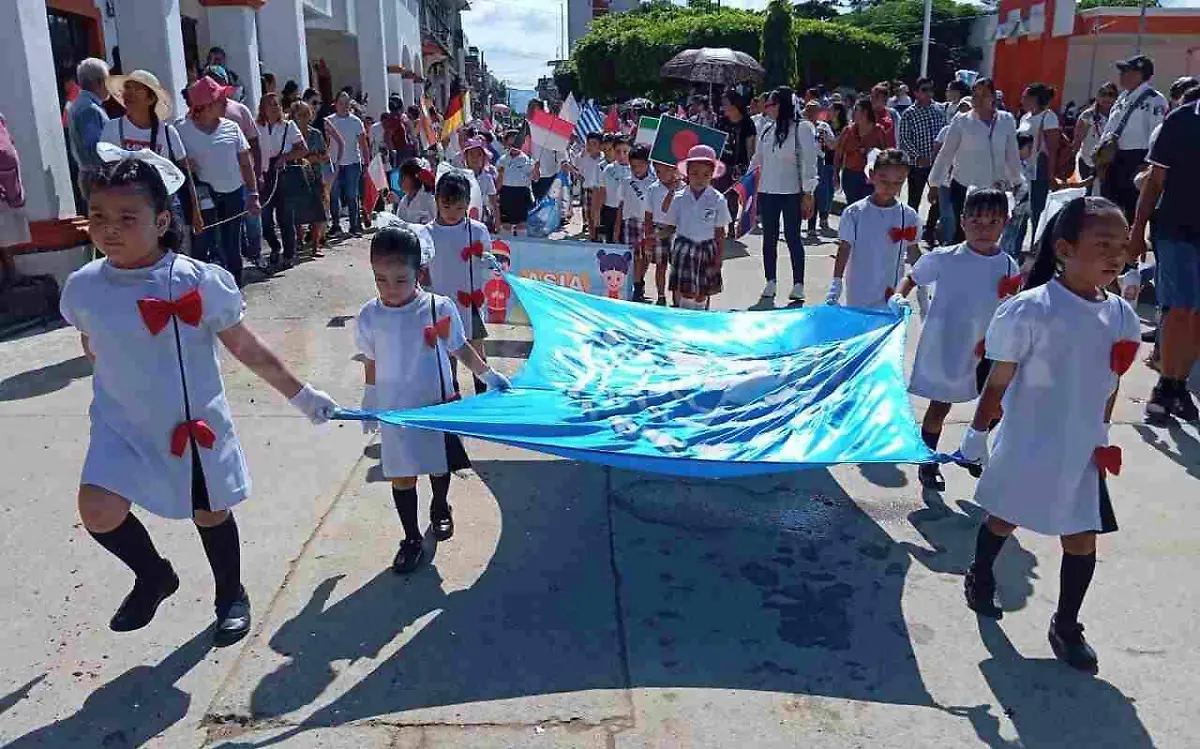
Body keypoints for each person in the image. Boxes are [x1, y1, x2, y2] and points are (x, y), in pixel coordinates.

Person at [60, 151, 339, 647]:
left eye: (128, 218)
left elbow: (247, 348)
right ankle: (154, 576)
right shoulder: (83, 287)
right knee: (97, 509)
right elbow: (92, 348)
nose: (110, 229)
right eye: (99, 216)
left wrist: (303, 396)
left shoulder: (196, 281)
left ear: (162, 220)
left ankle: (230, 595)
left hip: (187, 426)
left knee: (209, 511)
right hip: (120, 426)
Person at [954, 196, 1141, 673]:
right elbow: (999, 380)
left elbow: (1111, 381)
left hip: (1081, 448)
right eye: (1102, 244)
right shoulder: (1030, 309)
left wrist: (1103, 432)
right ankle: (980, 573)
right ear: (1064, 247)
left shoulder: (1120, 313)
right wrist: (977, 434)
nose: (1116, 255)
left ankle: (1066, 623)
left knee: (1082, 537)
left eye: (1122, 245)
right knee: (1004, 518)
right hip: (1029, 440)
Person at [356, 226, 510, 573]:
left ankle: (440, 506)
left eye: (400, 280)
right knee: (402, 474)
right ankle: (411, 538)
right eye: (380, 280)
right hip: (395, 409)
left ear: (419, 273)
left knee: (438, 465)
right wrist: (370, 395)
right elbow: (371, 359)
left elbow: (459, 347)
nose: (390, 289)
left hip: (435, 402)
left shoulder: (437, 307)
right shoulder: (369, 315)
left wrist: (488, 375)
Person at [890, 189, 1021, 490]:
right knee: (940, 407)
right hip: (948, 344)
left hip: (988, 351)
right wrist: (898, 297)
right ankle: (927, 461)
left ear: (1005, 223)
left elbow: (1013, 306)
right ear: (963, 222)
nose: (984, 229)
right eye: (976, 221)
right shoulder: (944, 258)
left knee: (997, 407)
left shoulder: (1008, 265)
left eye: (992, 222)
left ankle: (972, 450)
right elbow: (913, 277)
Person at [1130, 80, 1200, 423]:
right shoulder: (1181, 121)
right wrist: (1136, 231)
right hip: (1175, 231)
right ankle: (1164, 386)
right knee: (1180, 309)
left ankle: (1178, 385)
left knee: (1197, 314)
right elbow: (1154, 182)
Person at [176, 77, 261, 288]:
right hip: (201, 198)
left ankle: (234, 286)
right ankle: (204, 291)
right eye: (220, 99)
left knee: (231, 244)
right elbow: (171, 162)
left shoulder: (232, 127)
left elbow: (245, 162)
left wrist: (253, 194)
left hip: (233, 194)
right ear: (204, 106)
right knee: (203, 244)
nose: (226, 102)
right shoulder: (180, 130)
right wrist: (182, 164)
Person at [100, 70, 191, 240]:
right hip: (126, 207)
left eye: (137, 89)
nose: (129, 93)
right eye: (127, 87)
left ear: (151, 99)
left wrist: (195, 212)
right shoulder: (112, 129)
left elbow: (185, 171)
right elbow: (105, 170)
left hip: (164, 203)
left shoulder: (168, 132)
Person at [929, 78, 1022, 244]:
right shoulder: (961, 121)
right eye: (975, 95)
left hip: (994, 187)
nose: (978, 100)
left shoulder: (1006, 120)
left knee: (990, 232)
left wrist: (1017, 181)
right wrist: (935, 183)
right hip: (963, 186)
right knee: (962, 233)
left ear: (993, 97)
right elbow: (946, 154)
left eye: (984, 95)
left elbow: (1012, 154)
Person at [425, 172, 493, 395]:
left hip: (470, 305)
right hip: (441, 306)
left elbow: (488, 263)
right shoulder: (426, 233)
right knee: (448, 355)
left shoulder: (477, 230)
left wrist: (488, 259)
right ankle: (452, 398)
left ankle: (483, 402)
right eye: (447, 206)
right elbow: (422, 271)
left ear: (467, 204)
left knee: (477, 352)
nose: (453, 213)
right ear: (437, 200)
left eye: (459, 207)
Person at [828, 149, 921, 310]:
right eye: (884, 180)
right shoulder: (855, 213)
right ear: (872, 175)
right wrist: (836, 283)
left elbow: (913, 251)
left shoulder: (908, 215)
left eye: (898, 182)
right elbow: (844, 248)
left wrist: (924, 282)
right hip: (860, 289)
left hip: (892, 292)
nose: (890, 187)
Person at [752, 87, 818, 305]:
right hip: (767, 192)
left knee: (792, 237)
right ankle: (770, 281)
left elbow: (810, 162)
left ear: (782, 105)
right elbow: (757, 159)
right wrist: (745, 181)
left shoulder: (802, 128)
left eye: (770, 104)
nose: (767, 109)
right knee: (768, 238)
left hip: (792, 192)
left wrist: (808, 192)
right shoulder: (766, 129)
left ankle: (798, 284)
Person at [1098, 55, 1167, 223]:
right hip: (1115, 158)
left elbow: (1157, 134)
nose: (1122, 75)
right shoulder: (1123, 97)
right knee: (1109, 208)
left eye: (1126, 71)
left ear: (1140, 74)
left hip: (1137, 159)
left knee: (1130, 210)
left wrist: (1148, 165)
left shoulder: (1155, 100)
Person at [662, 145, 730, 310]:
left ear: (712, 175)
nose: (700, 178)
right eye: (695, 173)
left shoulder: (718, 199)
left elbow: (720, 232)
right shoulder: (678, 198)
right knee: (686, 291)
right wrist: (653, 237)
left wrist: (719, 258)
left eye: (706, 175)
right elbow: (670, 226)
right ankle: (686, 320)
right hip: (684, 248)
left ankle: (700, 319)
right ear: (687, 174)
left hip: (707, 249)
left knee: (702, 291)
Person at [254, 92, 307, 270]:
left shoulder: (288, 126)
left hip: (283, 173)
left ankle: (289, 254)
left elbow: (303, 149)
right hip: (263, 175)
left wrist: (285, 157)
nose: (275, 107)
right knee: (266, 218)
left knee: (285, 217)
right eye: (270, 104)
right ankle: (275, 247)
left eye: (277, 104)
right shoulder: (257, 127)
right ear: (263, 108)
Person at [897, 77, 947, 227]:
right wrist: (918, 157)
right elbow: (904, 139)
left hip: (938, 163)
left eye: (931, 89)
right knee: (914, 199)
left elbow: (946, 133)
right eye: (925, 90)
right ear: (916, 93)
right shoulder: (909, 113)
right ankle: (909, 229)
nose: (929, 93)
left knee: (938, 198)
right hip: (918, 165)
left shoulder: (939, 109)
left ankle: (930, 229)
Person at [1017, 83, 1062, 238]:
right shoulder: (1025, 117)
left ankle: (1037, 243)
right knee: (1020, 209)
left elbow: (1053, 149)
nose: (1022, 100)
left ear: (1035, 98)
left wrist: (1050, 174)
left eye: (1025, 97)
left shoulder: (1048, 117)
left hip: (1039, 168)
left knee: (1037, 209)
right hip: (1023, 170)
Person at [66, 58, 111, 208]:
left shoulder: (81, 104)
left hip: (92, 175)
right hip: (98, 176)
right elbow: (94, 148)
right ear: (99, 83)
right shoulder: (89, 108)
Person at [327, 92, 369, 237]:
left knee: (352, 195)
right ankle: (336, 225)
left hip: (353, 163)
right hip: (334, 164)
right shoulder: (328, 121)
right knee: (334, 195)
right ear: (335, 104)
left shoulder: (356, 121)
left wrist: (366, 164)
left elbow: (363, 144)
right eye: (341, 103)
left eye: (346, 103)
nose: (343, 106)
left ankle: (354, 225)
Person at [834, 100, 888, 206]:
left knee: (868, 206)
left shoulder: (878, 131)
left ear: (865, 113)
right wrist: (835, 175)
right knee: (853, 206)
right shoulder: (848, 131)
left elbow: (885, 155)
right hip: (850, 175)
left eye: (856, 110)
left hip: (870, 176)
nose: (853, 113)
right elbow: (838, 154)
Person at [643, 160, 682, 307]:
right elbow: (648, 215)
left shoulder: (684, 188)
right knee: (660, 265)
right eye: (658, 172)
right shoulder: (653, 189)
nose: (661, 175)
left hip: (678, 231)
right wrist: (648, 238)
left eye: (665, 170)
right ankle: (661, 296)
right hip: (658, 229)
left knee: (677, 267)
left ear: (674, 169)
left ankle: (676, 299)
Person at [718, 90, 756, 235]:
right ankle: (720, 225)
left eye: (725, 103)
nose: (723, 106)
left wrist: (750, 168)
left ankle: (732, 225)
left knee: (733, 196)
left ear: (734, 105)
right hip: (722, 164)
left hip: (739, 164)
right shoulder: (722, 120)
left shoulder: (747, 123)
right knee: (721, 194)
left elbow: (750, 147)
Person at [622, 144, 656, 303]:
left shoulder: (654, 182)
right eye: (633, 166)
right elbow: (622, 204)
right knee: (635, 255)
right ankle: (636, 284)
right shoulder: (627, 181)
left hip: (649, 223)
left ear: (648, 163)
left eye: (641, 165)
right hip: (631, 221)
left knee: (647, 255)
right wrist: (618, 226)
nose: (637, 169)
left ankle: (640, 278)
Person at [1072, 83, 1118, 183]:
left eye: (1110, 94)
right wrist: (1070, 159)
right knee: (1087, 194)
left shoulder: (1118, 115)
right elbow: (1078, 139)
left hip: (1108, 162)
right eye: (1103, 94)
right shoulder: (1088, 115)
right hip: (1088, 161)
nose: (1106, 98)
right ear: (1097, 96)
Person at [804, 100, 837, 240]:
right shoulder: (801, 126)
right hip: (804, 161)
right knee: (805, 193)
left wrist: (825, 139)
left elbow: (833, 145)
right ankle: (806, 223)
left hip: (819, 161)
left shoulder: (823, 126)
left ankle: (818, 221)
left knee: (819, 193)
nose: (811, 114)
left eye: (814, 111)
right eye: (809, 110)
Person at [1001, 133, 1036, 259]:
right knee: (1008, 235)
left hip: (1022, 205)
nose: (1031, 150)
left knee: (1016, 234)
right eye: (1029, 147)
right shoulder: (1010, 164)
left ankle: (1012, 257)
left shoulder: (1024, 163)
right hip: (1013, 205)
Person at [496, 129, 536, 235]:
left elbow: (535, 178)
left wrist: (536, 169)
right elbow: (498, 182)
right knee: (506, 224)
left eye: (516, 144)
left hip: (521, 194)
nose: (513, 147)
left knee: (521, 224)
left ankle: (522, 247)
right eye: (510, 144)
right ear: (506, 144)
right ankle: (506, 247)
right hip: (506, 193)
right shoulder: (502, 160)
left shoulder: (527, 160)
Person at [596, 136, 631, 245]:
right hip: (610, 210)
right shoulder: (608, 169)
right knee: (611, 241)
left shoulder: (634, 170)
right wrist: (597, 213)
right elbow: (602, 191)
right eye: (618, 151)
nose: (622, 155)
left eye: (625, 151)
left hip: (628, 213)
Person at [572, 132, 604, 239]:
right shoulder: (583, 159)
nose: (590, 146)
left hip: (600, 192)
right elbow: (580, 175)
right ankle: (592, 237)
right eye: (588, 143)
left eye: (594, 143)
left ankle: (599, 236)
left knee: (599, 216)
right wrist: (572, 170)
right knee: (589, 216)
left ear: (600, 145)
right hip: (588, 190)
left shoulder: (604, 160)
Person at [462, 139, 499, 230]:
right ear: (466, 157)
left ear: (484, 158)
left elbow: (493, 202)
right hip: (463, 213)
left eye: (479, 155)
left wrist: (497, 220)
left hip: (482, 216)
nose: (475, 158)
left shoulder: (487, 178)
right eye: (471, 154)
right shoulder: (460, 176)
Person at [393, 160, 436, 224]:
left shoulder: (428, 200)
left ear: (414, 178)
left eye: (402, 178)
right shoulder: (404, 200)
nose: (399, 181)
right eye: (399, 178)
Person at [870, 82, 900, 147]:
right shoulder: (865, 114)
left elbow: (899, 135)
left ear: (884, 99)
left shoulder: (893, 114)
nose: (872, 99)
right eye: (871, 96)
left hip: (889, 154)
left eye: (876, 96)